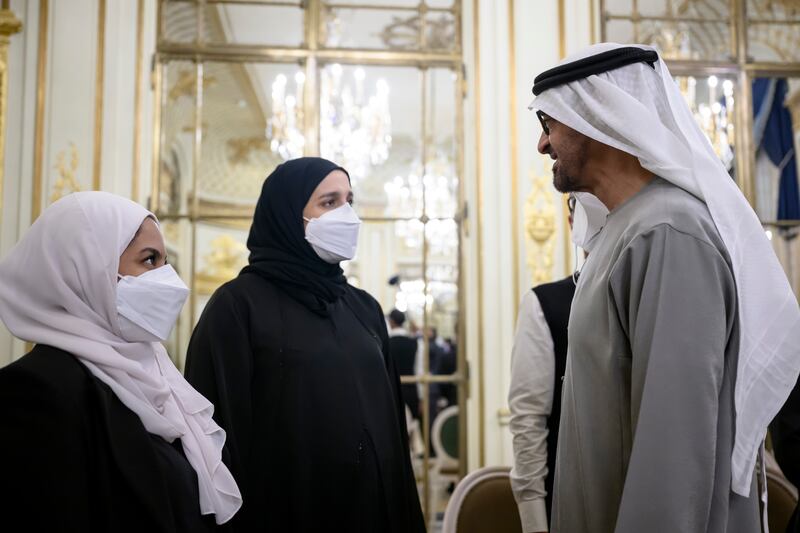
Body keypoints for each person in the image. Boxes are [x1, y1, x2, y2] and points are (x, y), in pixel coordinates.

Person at [530, 43, 800, 532]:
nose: (543, 145)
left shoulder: (669, 232)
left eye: (549, 124)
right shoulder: (625, 230)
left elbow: (675, 451)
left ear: (597, 115)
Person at [184, 157, 426, 533]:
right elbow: (216, 441)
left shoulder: (363, 307)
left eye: (349, 200)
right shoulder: (237, 306)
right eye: (329, 202)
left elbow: (391, 428)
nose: (346, 214)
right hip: (286, 511)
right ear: (286, 214)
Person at [0, 192, 241, 531]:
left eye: (164, 261)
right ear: (85, 270)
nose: (169, 279)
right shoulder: (35, 390)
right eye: (149, 260)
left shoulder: (160, 376)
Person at [508, 194, 578, 533]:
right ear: (571, 223)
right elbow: (528, 421)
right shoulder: (546, 303)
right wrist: (535, 522)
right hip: (565, 499)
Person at [388, 308, 421, 420]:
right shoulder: (415, 343)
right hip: (411, 391)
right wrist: (421, 397)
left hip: (391, 392)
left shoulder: (385, 343)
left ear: (391, 321)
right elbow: (419, 370)